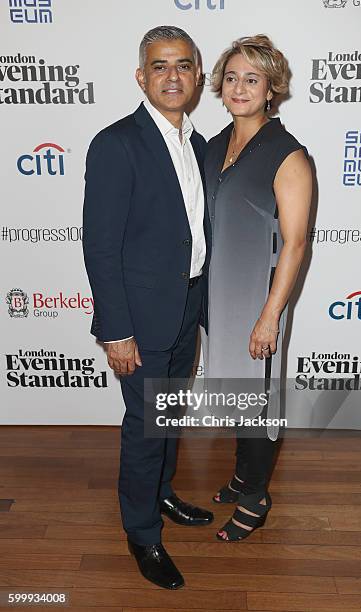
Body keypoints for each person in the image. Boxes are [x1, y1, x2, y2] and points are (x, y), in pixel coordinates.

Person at [82, 26, 212, 589]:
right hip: (139, 317)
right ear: (141, 76)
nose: (172, 76)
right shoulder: (116, 143)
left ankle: (160, 495)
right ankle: (142, 533)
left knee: (167, 417)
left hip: (187, 306)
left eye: (183, 65)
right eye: (160, 66)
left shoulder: (200, 144)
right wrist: (116, 331)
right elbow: (100, 245)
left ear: (197, 76)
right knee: (144, 427)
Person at [204, 35, 312, 541]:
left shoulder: (288, 154)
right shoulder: (212, 146)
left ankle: (255, 499)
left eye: (252, 78)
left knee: (258, 399)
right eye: (231, 77)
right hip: (216, 294)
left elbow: (294, 243)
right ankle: (243, 475)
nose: (239, 87)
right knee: (233, 391)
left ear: (271, 89)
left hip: (256, 298)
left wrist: (271, 315)